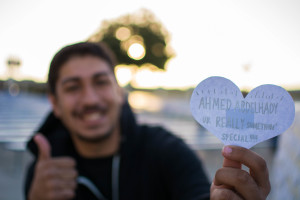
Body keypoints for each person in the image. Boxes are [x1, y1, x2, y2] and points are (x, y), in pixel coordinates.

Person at [24, 42, 270, 200]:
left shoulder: (166, 150)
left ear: (119, 93)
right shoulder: (44, 174)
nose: (89, 99)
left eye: (100, 82)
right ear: (54, 103)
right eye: (73, 87)